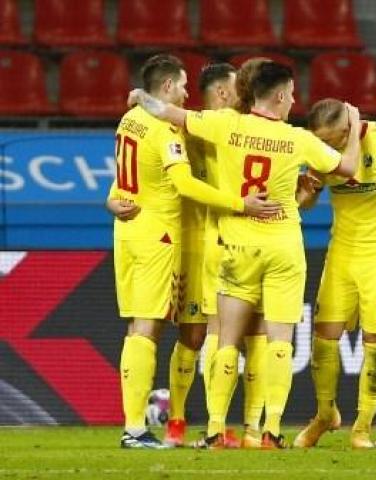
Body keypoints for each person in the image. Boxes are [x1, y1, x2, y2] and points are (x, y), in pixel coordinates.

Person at [128, 61, 361, 449]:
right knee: (280, 340)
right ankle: (270, 430)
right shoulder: (297, 139)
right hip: (284, 245)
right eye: (291, 94)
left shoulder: (225, 124)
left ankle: (217, 428)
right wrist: (352, 123)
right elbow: (350, 167)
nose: (293, 101)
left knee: (226, 341)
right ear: (282, 96)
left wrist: (139, 96)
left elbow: (165, 111)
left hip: (236, 246)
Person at [109, 54, 258, 449]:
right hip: (165, 235)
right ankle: (139, 428)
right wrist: (242, 204)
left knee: (157, 329)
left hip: (132, 231)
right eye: (182, 85)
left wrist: (111, 201)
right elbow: (186, 184)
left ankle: (148, 425)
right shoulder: (170, 127)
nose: (187, 92)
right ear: (168, 88)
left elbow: (127, 176)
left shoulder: (130, 120)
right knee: (150, 328)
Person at [292, 98, 376, 449]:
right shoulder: (321, 150)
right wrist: (306, 192)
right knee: (323, 337)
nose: (327, 149)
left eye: (333, 141)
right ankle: (324, 414)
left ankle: (362, 427)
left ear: (348, 130)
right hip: (342, 249)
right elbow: (306, 202)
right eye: (322, 142)